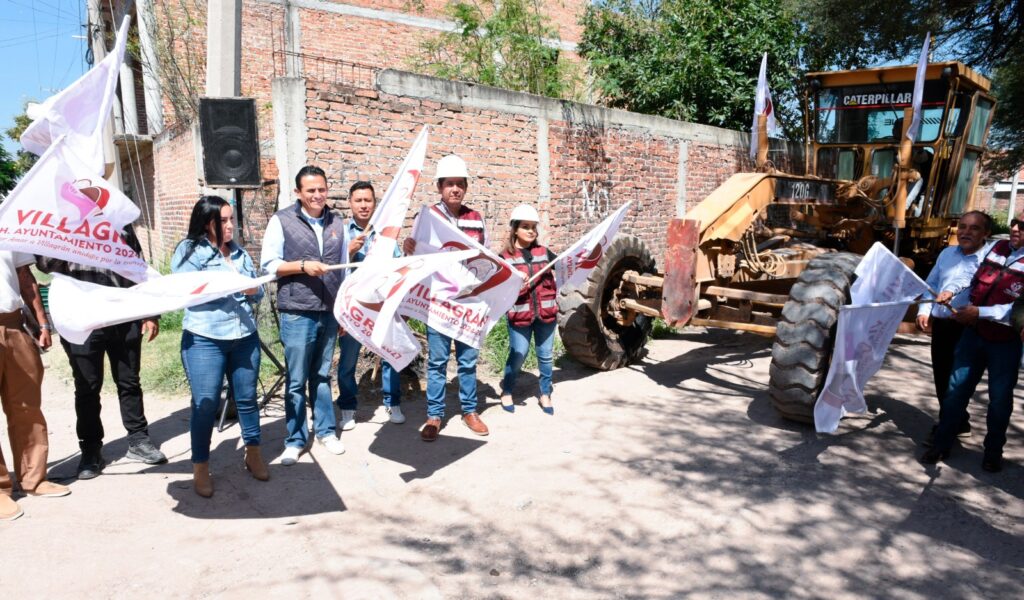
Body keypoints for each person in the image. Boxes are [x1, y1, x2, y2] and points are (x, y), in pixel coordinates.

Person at [36, 226, 166, 479]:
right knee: (87, 387)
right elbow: (44, 264)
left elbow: (138, 265)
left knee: (129, 381)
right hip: (81, 317)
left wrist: (151, 312)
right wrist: (72, 239)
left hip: (123, 313)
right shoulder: (60, 222)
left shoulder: (119, 221)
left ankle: (138, 440)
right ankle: (91, 450)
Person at [172, 196, 266, 498]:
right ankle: (201, 466)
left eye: (231, 219)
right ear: (206, 222)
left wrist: (252, 289)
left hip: (244, 336)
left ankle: (253, 453)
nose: (230, 226)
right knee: (206, 403)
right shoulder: (189, 251)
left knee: (247, 399)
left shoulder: (239, 252)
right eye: (222, 220)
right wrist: (230, 284)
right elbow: (186, 291)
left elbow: (258, 292)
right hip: (205, 338)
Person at [922, 213, 1024, 472]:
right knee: (955, 390)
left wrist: (980, 312)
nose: (1015, 228)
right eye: (1014, 222)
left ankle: (993, 452)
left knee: (999, 400)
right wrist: (952, 291)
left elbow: (1018, 311)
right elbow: (971, 278)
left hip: (1005, 341)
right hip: (974, 334)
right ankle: (942, 443)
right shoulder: (997, 248)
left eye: (1022, 226)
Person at [261, 165, 346, 464]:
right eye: (311, 190)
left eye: (322, 189)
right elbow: (269, 264)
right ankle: (295, 439)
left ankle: (325, 431)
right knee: (296, 380)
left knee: (321, 376)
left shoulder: (338, 222)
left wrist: (343, 310)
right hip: (297, 311)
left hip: (329, 310)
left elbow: (344, 270)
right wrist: (301, 266)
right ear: (298, 192)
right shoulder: (282, 220)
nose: (317, 195)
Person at [403, 154, 489, 441]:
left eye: (460, 184)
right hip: (438, 302)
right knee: (438, 362)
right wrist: (408, 247)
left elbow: (486, 259)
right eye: (449, 184)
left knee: (468, 361)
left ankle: (469, 411)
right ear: (439, 186)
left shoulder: (476, 219)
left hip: (467, 302)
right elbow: (415, 257)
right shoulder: (428, 217)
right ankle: (434, 415)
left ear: (465, 187)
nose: (455, 189)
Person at [0, 251, 69, 521]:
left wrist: (42, 323)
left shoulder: (8, 230)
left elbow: (24, 276)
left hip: (14, 325)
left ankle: (34, 479)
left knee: (27, 407)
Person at [915, 211, 993, 446]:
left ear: (986, 233)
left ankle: (945, 430)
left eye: (974, 228)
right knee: (942, 377)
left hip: (969, 328)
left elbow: (971, 283)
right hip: (942, 326)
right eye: (963, 226)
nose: (966, 232)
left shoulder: (990, 259)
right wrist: (923, 311)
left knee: (958, 381)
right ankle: (959, 422)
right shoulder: (947, 253)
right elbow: (931, 283)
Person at [336, 181, 405, 429]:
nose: (364, 205)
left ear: (375, 203)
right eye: (359, 200)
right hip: (353, 308)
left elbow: (398, 267)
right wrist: (348, 252)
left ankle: (392, 402)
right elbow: (332, 269)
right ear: (350, 203)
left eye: (368, 200)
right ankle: (347, 407)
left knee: (389, 356)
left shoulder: (386, 235)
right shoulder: (341, 233)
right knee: (348, 361)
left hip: (380, 306)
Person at [498, 204, 558, 415]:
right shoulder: (504, 258)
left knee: (545, 355)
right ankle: (507, 390)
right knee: (519, 354)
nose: (531, 231)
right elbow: (499, 289)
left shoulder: (544, 253)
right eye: (525, 226)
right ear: (515, 229)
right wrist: (515, 282)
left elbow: (565, 267)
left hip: (546, 315)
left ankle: (545, 393)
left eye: (533, 227)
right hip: (520, 315)